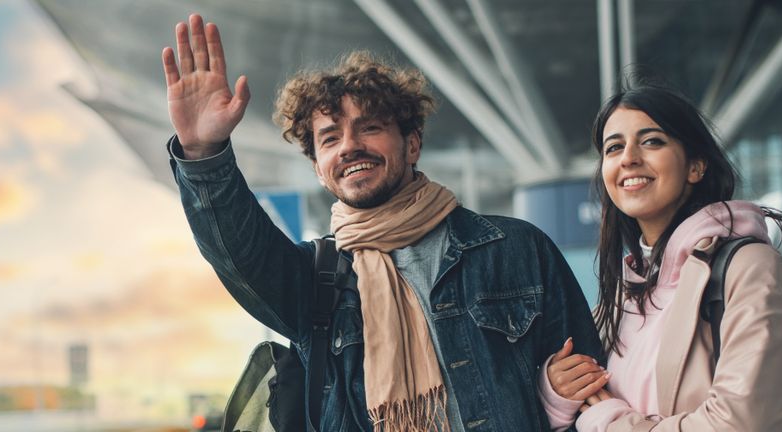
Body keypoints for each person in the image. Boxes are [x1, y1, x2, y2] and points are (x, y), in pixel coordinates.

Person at [161, 13, 601, 431]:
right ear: (319, 168)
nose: (350, 146)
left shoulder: (516, 248)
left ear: (412, 145)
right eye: (330, 137)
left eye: (369, 127)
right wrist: (204, 153)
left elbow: (592, 394)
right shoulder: (317, 281)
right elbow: (240, 252)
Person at [538, 85, 782, 431]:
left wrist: (614, 424)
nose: (628, 158)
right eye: (614, 147)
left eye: (651, 141)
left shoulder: (748, 267)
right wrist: (556, 394)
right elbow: (588, 408)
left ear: (696, 166)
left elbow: (743, 423)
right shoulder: (622, 296)